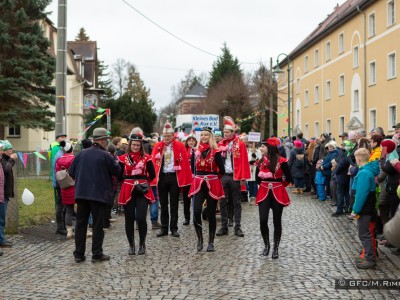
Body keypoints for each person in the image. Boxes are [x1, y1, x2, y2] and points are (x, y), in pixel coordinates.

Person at [69, 128, 120, 263]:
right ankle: (97, 254)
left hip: (82, 194)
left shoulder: (81, 154)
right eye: (106, 140)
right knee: (97, 225)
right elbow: (117, 171)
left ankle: (79, 254)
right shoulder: (106, 155)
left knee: (81, 225)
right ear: (103, 141)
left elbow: (71, 172)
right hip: (99, 195)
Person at [151, 121, 192, 237]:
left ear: (173, 135)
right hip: (162, 177)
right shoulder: (158, 146)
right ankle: (164, 228)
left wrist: (184, 176)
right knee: (163, 204)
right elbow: (154, 162)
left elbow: (184, 162)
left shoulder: (179, 145)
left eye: (169, 136)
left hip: (175, 177)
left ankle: (174, 228)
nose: (167, 138)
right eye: (165, 136)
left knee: (174, 204)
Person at [118, 134, 156, 255]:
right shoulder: (123, 158)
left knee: (141, 218)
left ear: (141, 146)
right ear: (130, 145)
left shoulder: (147, 158)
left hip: (142, 190)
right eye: (133, 145)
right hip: (127, 188)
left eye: (138, 145)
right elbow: (119, 175)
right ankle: (131, 245)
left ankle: (142, 243)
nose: (135, 147)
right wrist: (127, 180)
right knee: (129, 219)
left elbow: (153, 174)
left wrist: (143, 181)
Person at [188, 127, 225, 252]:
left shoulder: (216, 152)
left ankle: (211, 241)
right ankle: (200, 239)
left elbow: (222, 170)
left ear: (210, 137)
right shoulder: (196, 151)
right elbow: (193, 168)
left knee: (211, 213)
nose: (203, 137)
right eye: (202, 135)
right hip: (199, 183)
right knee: (197, 211)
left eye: (206, 135)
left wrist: (212, 177)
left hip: (212, 183)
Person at [255, 138, 292, 259]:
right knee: (262, 220)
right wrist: (265, 184)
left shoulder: (281, 161)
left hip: (277, 191)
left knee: (277, 221)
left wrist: (281, 186)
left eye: (263, 147)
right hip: (264, 192)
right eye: (261, 146)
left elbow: (289, 177)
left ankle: (276, 248)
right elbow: (257, 179)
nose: (261, 149)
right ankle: (266, 245)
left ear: (270, 148)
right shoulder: (259, 162)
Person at [216, 116, 251, 237]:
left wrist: (243, 177)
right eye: (224, 132)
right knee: (223, 201)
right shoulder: (220, 144)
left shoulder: (240, 144)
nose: (225, 134)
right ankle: (224, 226)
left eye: (227, 132)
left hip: (235, 176)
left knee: (237, 202)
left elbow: (244, 161)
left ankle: (237, 227)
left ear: (233, 132)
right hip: (223, 176)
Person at [350, 148, 380, 269]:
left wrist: (355, 210)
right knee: (365, 233)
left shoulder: (364, 173)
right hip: (368, 207)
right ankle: (369, 257)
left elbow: (361, 194)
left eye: (356, 158)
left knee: (364, 234)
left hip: (365, 208)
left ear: (359, 159)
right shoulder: (367, 171)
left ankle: (370, 259)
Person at [55, 141, 76, 239]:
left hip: (64, 187)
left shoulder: (59, 160)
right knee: (80, 209)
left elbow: (57, 173)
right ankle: (82, 228)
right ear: (71, 149)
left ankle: (69, 231)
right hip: (74, 186)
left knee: (68, 209)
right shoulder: (74, 159)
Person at [0, 141, 17, 249]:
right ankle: (1, 240)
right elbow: (7, 168)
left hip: (4, 193)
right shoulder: (3, 160)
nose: (10, 151)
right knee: (1, 218)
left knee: (2, 218)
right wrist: (12, 159)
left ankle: (1, 238)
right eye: (7, 149)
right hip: (2, 194)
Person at [50, 133, 67, 235]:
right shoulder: (60, 155)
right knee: (60, 205)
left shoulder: (59, 154)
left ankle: (63, 226)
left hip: (59, 182)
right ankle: (60, 227)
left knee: (62, 205)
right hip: (60, 183)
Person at [182, 132, 197, 225]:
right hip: (187, 177)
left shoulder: (198, 150)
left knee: (196, 199)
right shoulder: (184, 150)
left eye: (193, 140)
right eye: (189, 140)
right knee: (186, 199)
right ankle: (187, 218)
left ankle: (196, 217)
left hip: (196, 176)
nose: (191, 142)